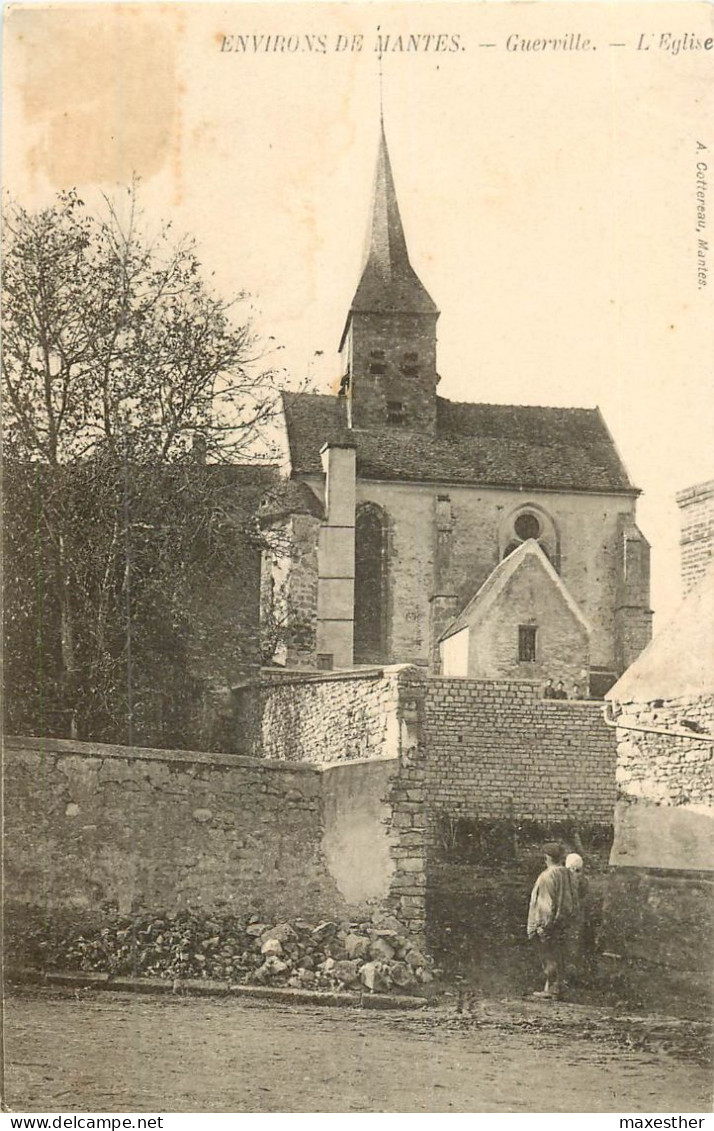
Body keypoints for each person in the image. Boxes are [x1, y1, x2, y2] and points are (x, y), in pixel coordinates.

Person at [526, 841, 574, 998]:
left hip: (548, 923)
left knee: (549, 955)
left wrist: (541, 925)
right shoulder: (567, 874)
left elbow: (546, 903)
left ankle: (553, 989)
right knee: (558, 954)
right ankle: (554, 988)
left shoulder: (547, 876)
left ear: (547, 857)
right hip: (563, 921)